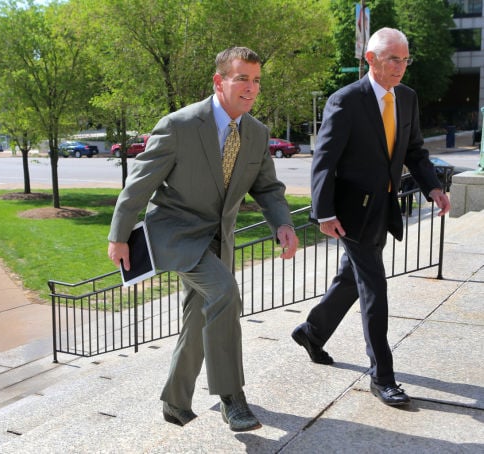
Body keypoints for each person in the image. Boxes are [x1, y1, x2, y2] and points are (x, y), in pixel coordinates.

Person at [108, 47, 299, 431]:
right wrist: (119, 235)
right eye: (241, 78)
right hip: (176, 233)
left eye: (256, 79)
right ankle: (232, 398)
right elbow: (140, 183)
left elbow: (268, 188)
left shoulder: (257, 134)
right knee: (225, 292)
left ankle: (175, 401)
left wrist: (282, 224)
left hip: (218, 239)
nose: (251, 88)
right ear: (219, 81)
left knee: (199, 316)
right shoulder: (179, 125)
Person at [291, 28, 450, 407]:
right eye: (393, 59)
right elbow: (324, 160)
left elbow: (413, 150)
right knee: (374, 289)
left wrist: (433, 187)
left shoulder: (407, 99)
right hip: (350, 213)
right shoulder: (346, 101)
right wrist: (323, 212)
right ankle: (383, 377)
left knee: (351, 279)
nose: (401, 67)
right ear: (371, 59)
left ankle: (312, 332)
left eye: (405, 59)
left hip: (385, 207)